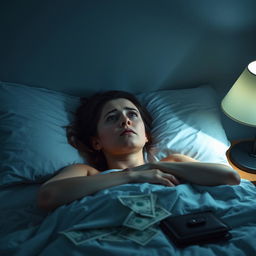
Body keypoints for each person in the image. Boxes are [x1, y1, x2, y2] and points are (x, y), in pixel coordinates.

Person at [37, 91, 240, 211]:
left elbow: (230, 177)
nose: (125, 120)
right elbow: (48, 196)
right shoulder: (86, 172)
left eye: (132, 115)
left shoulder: (174, 162)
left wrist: (153, 165)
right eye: (112, 118)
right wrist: (131, 176)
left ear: (146, 136)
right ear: (97, 142)